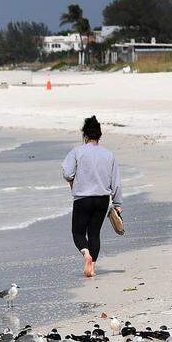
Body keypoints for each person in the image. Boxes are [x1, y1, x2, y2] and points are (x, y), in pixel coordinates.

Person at [62, 115, 122, 278]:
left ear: (85, 135)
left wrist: (72, 180)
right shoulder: (108, 154)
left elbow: (67, 173)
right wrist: (117, 203)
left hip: (83, 198)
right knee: (94, 233)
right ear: (99, 135)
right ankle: (92, 266)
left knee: (78, 233)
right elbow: (116, 181)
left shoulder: (77, 152)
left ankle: (86, 254)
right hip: (102, 199)